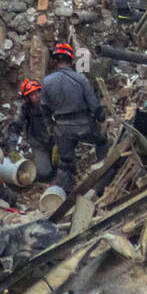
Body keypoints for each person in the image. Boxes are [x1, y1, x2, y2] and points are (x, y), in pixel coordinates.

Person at [41, 43, 107, 190]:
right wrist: (101, 118)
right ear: (71, 61)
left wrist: (51, 127)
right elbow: (93, 104)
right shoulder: (80, 78)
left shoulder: (47, 82)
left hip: (62, 129)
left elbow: (45, 109)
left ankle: (64, 195)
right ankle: (103, 177)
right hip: (84, 125)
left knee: (65, 162)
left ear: (55, 60)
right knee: (102, 141)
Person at [11, 78, 55, 182]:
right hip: (39, 143)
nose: (37, 96)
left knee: (66, 166)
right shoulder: (24, 107)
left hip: (56, 140)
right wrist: (12, 149)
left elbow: (64, 120)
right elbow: (15, 127)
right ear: (27, 98)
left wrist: (61, 141)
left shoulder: (51, 101)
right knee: (44, 175)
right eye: (32, 94)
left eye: (38, 92)